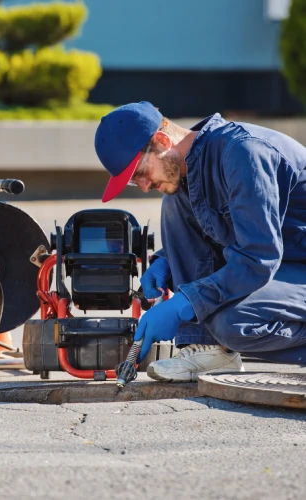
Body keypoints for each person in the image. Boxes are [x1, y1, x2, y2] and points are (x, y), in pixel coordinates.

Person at [94, 101, 306, 382]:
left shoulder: (243, 152)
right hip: (285, 264)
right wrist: (167, 261)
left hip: (284, 265)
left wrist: (188, 302)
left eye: (139, 174)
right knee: (173, 200)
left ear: (162, 140)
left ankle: (219, 340)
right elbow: (220, 229)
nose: (143, 186)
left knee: (234, 323)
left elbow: (259, 257)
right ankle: (207, 348)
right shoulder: (188, 167)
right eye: (134, 182)